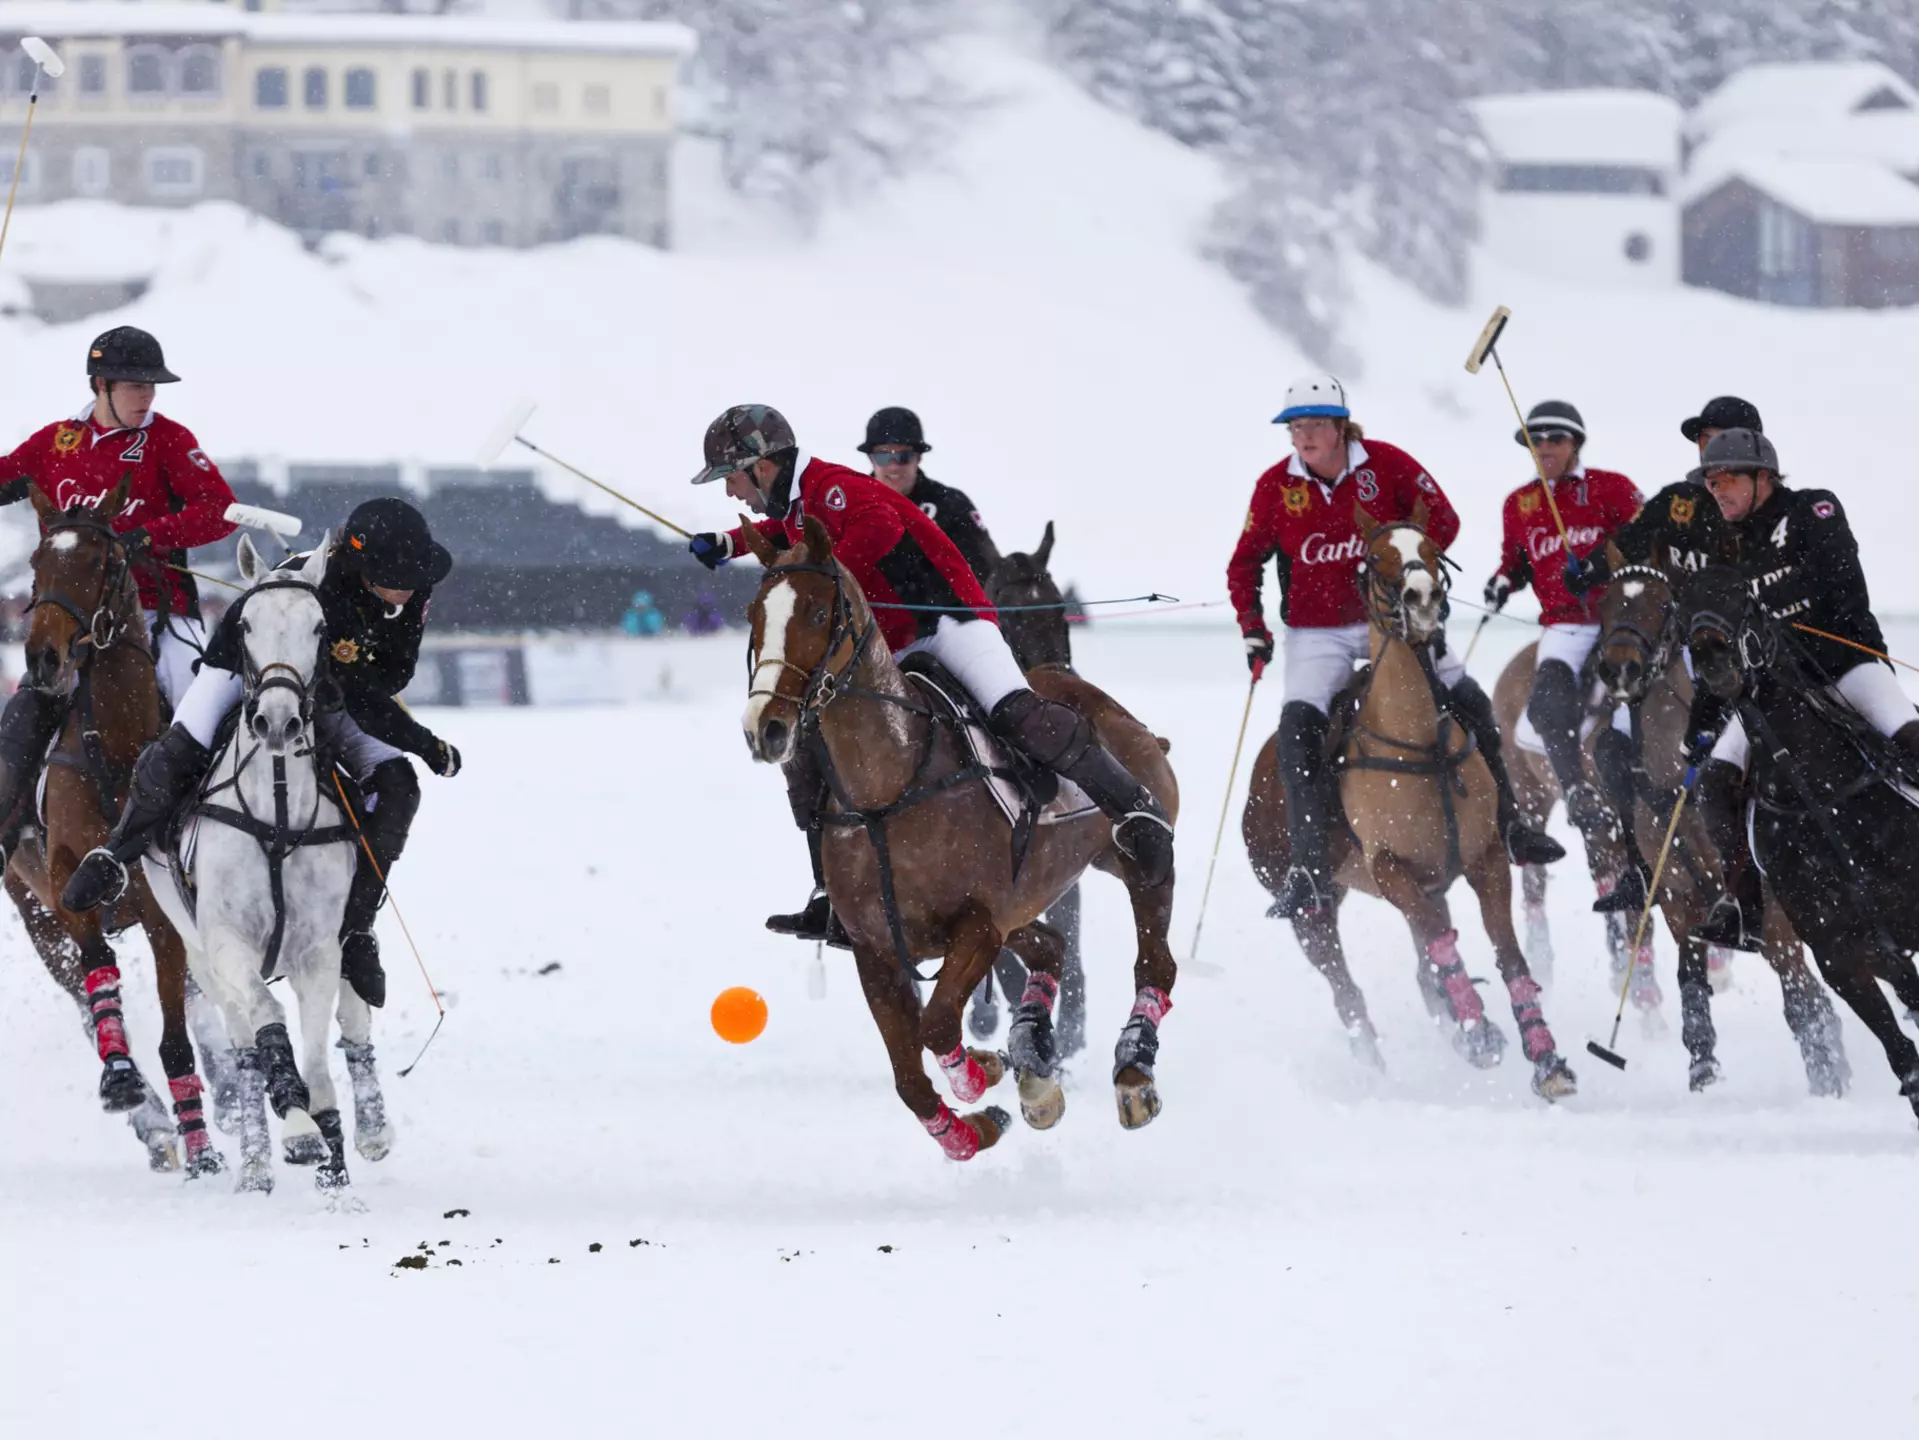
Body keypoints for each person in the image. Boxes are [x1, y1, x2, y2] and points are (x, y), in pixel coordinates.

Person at [686, 404, 1172, 943]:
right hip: (891, 645)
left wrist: (826, 578)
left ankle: (1134, 808)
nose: (732, 492)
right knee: (814, 746)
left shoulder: (832, 487)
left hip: (948, 621)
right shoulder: (801, 503)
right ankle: (831, 893)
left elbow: (878, 526)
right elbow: (786, 531)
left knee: (1014, 711)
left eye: (731, 478)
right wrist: (729, 543)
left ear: (763, 465)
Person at [61, 499, 464, 1009]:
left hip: (331, 690)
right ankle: (115, 856)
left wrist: (356, 679)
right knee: (178, 749)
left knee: (398, 785)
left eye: (412, 574)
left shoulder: (414, 582)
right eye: (393, 575)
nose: (406, 585)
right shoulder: (313, 583)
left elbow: (394, 673)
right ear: (360, 565)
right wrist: (424, 742)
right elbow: (368, 693)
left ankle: (356, 929)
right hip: (245, 668)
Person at [1228, 375, 1562, 918]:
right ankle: (1310, 869)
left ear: (1340, 427)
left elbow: (1444, 521)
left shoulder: (1387, 465)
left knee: (1472, 702)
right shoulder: (1275, 488)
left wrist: (1402, 563)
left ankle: (1512, 830)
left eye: (1315, 424)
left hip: (1400, 621)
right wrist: (1251, 624)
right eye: (1295, 427)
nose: (1304, 436)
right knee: (1298, 733)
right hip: (1318, 632)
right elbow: (1245, 562)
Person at [0, 326, 238, 840]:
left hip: (158, 612)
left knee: (207, 703)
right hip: (71, 620)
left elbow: (220, 512)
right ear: (100, 384)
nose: (147, 394)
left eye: (152, 385)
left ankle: (209, 833)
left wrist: (147, 536)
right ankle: (9, 830)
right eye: (135, 384)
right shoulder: (55, 443)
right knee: (23, 716)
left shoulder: (170, 440)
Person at [1683, 428, 1916, 948]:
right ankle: (1742, 906)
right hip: (1774, 692)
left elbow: (1846, 591)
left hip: (1847, 667)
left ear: (1762, 477)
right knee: (1716, 781)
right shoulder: (1724, 550)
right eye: (1711, 483)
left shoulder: (1814, 510)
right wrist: (1704, 719)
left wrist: (1790, 637)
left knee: (1908, 732)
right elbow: (1715, 644)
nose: (1716, 491)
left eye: (1725, 480)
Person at [1482, 401, 1644, 898]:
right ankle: (1576, 790)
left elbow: (1645, 539)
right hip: (1567, 627)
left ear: (1575, 444)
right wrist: (1501, 583)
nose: (1544, 448)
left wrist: (1597, 563)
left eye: (1554, 439)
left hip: (1622, 620)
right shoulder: (1519, 504)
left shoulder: (1613, 488)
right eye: (1536, 441)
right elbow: (1515, 562)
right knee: (1548, 701)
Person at [858, 407, 1002, 585]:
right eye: (883, 456)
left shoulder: (952, 506)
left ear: (918, 458)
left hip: (945, 612)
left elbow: (989, 573)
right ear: (871, 459)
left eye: (903, 457)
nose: (894, 467)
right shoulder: (845, 507)